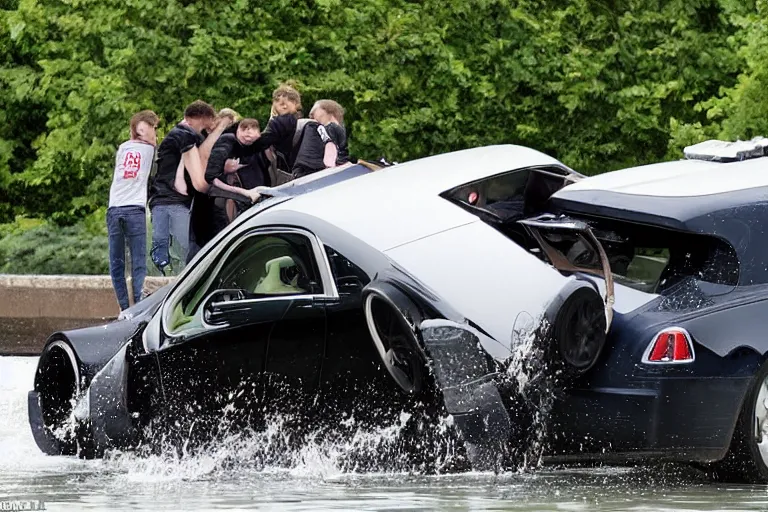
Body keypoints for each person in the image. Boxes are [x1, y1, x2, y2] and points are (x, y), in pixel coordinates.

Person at [148, 100, 224, 274]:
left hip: (163, 198)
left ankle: (168, 274)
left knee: (163, 245)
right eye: (204, 124)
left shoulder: (180, 134)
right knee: (184, 245)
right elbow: (198, 180)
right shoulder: (185, 135)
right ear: (199, 119)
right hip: (173, 199)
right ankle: (185, 276)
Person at [107, 110, 159, 311]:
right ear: (145, 130)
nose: (155, 132)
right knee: (138, 263)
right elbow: (152, 142)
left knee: (117, 263)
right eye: (153, 128)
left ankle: (123, 309)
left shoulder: (122, 148)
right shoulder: (149, 150)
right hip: (134, 209)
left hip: (114, 208)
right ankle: (137, 308)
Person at [199, 118, 266, 244]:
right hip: (215, 199)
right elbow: (211, 177)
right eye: (244, 130)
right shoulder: (227, 141)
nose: (248, 135)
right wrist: (245, 193)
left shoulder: (249, 146)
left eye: (252, 131)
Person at [309, 99, 350, 166]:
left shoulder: (330, 127)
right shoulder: (341, 130)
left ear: (329, 111)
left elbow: (330, 155)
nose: (312, 115)